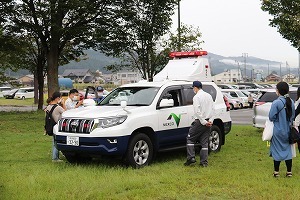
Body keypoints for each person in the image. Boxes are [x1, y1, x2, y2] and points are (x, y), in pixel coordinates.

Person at [184, 81, 215, 167]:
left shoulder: (196, 97)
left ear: (195, 87)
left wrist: (204, 122)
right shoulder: (209, 96)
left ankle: (191, 158)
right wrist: (210, 121)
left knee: (190, 139)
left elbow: (197, 111)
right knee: (204, 142)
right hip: (209, 121)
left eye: (193, 88)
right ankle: (204, 162)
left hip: (200, 122)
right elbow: (213, 109)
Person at [269, 81, 295, 177]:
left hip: (277, 130)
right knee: (288, 151)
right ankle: (289, 172)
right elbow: (292, 117)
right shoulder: (291, 102)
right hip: (288, 130)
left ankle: (276, 172)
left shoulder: (276, 102)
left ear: (278, 91)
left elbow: (271, 117)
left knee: (276, 150)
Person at [45, 91, 66, 162]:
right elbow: (66, 113)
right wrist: (63, 104)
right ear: (57, 98)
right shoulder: (58, 107)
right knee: (56, 142)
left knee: (55, 141)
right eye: (60, 98)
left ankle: (60, 155)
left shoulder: (48, 106)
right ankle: (55, 158)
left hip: (50, 126)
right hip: (56, 126)